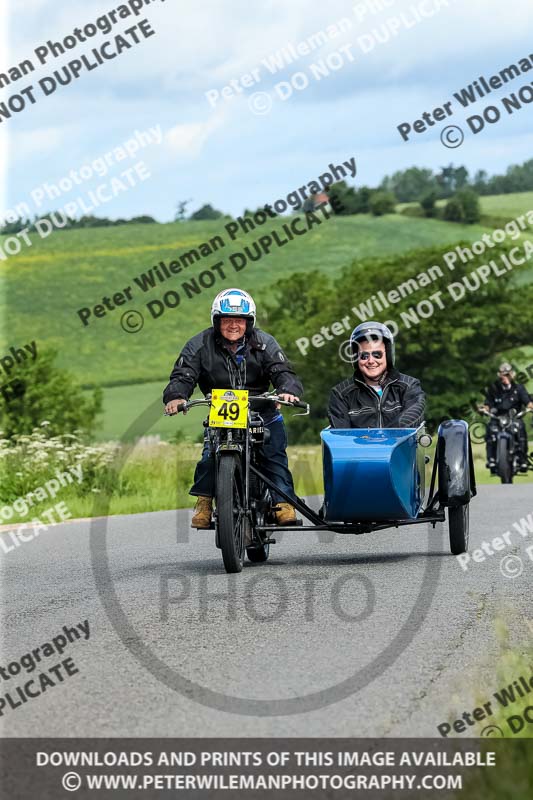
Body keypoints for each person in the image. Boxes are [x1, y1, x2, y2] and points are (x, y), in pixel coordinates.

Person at [163, 288, 303, 528]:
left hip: (262, 410)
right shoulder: (199, 344)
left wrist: (286, 390)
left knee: (274, 454)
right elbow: (183, 374)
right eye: (227, 320)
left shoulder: (264, 343)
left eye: (239, 320)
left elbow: (282, 371)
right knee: (209, 455)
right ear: (217, 321)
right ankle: (205, 502)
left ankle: (283, 502)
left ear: (249, 323)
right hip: (221, 411)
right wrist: (176, 396)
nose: (233, 325)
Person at [328, 321, 425, 428]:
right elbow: (341, 435)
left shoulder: (409, 386)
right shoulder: (341, 394)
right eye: (364, 356)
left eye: (377, 354)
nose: (371, 361)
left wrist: (384, 438)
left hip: (400, 444)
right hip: (356, 445)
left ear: (388, 355)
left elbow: (413, 415)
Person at [483, 362, 533, 472]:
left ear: (512, 375)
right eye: (503, 375)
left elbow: (527, 401)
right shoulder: (494, 389)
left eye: (507, 374)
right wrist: (485, 408)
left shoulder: (519, 388)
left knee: (520, 430)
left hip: (514, 418)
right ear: (499, 375)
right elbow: (487, 403)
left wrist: (530, 406)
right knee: (490, 431)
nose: (505, 377)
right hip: (497, 418)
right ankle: (491, 459)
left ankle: (522, 460)